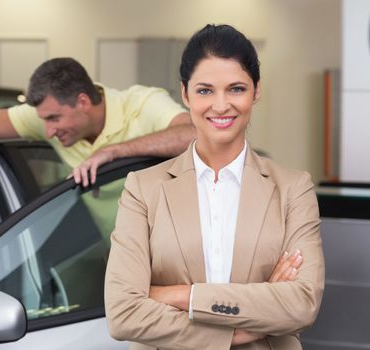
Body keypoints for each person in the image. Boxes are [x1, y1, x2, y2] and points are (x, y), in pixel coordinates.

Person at [104, 24, 324, 349]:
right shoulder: (143, 189)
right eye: (205, 90)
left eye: (236, 89)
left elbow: (302, 303)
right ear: (185, 94)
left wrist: (181, 295)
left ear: (256, 90)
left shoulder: (293, 189)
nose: (221, 106)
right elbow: (123, 313)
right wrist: (245, 325)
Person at [0, 57, 196, 186]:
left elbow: (193, 134)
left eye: (54, 118)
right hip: (110, 253)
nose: (48, 131)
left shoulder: (142, 104)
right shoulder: (52, 123)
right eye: (43, 120)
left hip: (170, 254)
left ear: (83, 102)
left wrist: (113, 151)